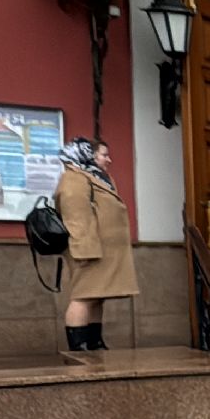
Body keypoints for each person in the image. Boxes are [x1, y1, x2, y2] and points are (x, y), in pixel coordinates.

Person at [54, 139, 137, 351]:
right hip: (88, 250)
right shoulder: (74, 178)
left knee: (97, 297)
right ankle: (79, 346)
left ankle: (94, 342)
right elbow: (76, 217)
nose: (108, 159)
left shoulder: (96, 177)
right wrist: (85, 250)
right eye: (103, 155)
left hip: (104, 252)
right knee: (83, 296)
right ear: (88, 155)